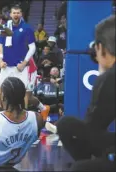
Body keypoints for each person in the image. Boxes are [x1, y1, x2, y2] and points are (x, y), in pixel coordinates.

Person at [46, 15, 115, 171]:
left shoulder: (110, 78)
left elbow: (94, 127)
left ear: (101, 48)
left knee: (79, 168)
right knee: (67, 125)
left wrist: (102, 74)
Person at [0, 5, 50, 117]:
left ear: (21, 14)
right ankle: (2, 116)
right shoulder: (4, 27)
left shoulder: (27, 28)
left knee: (25, 94)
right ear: (10, 14)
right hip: (6, 66)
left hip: (21, 67)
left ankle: (23, 117)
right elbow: (0, 44)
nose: (16, 15)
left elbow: (32, 47)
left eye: (18, 13)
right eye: (14, 13)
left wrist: (24, 63)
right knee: (1, 91)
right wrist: (0, 60)